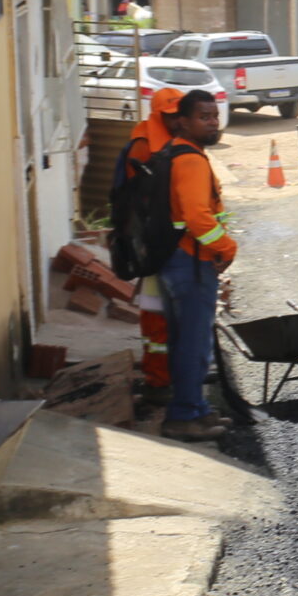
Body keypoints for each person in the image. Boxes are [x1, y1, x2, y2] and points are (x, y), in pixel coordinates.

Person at [157, 89, 235, 443]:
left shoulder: (179, 154)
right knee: (193, 343)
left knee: (186, 341)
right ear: (183, 122)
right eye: (203, 117)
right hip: (191, 263)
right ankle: (183, 417)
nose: (212, 122)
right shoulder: (189, 160)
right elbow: (198, 218)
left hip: (180, 261)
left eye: (214, 116)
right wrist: (227, 246)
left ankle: (196, 410)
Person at [116, 86, 187, 398]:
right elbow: (136, 201)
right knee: (157, 314)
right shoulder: (143, 147)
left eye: (178, 114)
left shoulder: (171, 143)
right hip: (155, 245)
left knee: (172, 315)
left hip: (171, 243)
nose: (176, 121)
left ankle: (170, 375)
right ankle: (159, 381)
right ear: (159, 114)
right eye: (169, 115)